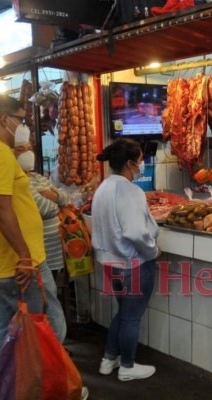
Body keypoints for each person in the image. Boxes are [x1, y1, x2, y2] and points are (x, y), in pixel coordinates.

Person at [0, 95, 66, 354]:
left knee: (8, 322)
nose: (24, 126)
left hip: (2, 260)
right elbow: (2, 210)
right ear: (4, 119)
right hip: (20, 262)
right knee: (45, 323)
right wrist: (24, 255)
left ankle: (11, 385)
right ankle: (51, 386)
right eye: (21, 120)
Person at [92, 138, 160, 381]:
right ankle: (128, 367)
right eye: (140, 161)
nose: (141, 165)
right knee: (131, 316)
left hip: (110, 263)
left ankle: (109, 359)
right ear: (130, 163)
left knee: (123, 312)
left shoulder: (104, 187)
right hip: (133, 264)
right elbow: (135, 232)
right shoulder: (130, 191)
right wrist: (152, 250)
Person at [15, 144, 69, 273]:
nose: (28, 153)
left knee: (53, 284)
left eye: (29, 149)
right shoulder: (19, 180)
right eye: (21, 149)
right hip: (38, 247)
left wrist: (54, 196)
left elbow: (65, 199)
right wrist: (57, 200)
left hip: (55, 247)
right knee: (42, 286)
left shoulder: (37, 177)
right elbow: (45, 209)